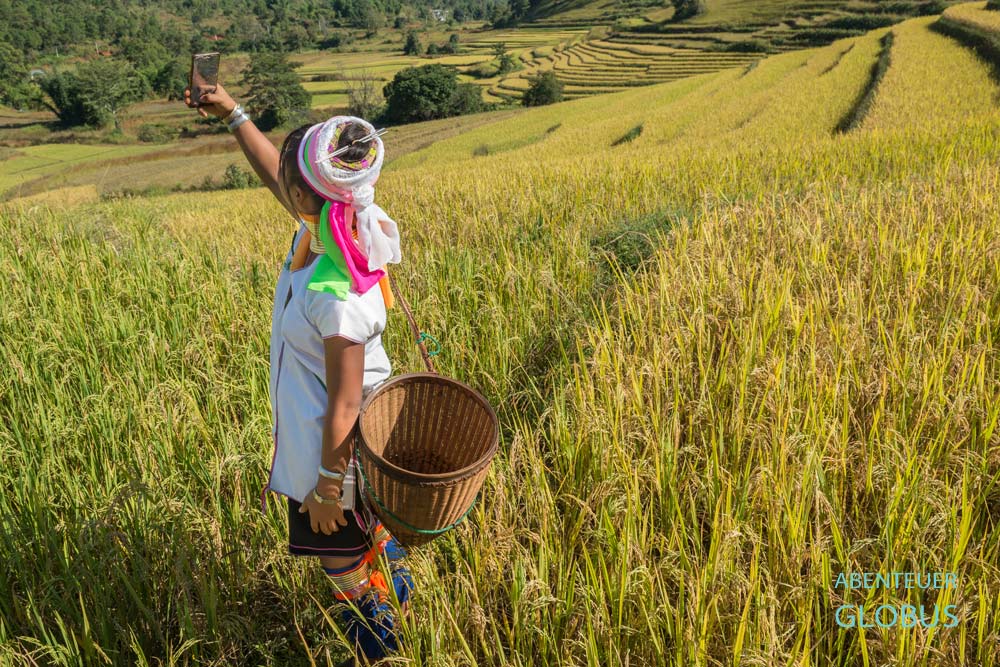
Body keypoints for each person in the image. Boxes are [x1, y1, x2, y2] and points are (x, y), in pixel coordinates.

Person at [184, 83, 413, 666]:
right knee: (373, 548)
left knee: (347, 574)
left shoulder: (338, 289)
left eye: (289, 176)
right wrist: (231, 113)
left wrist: (327, 488)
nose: (280, 183)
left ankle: (383, 651)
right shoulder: (331, 225)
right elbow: (279, 176)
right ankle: (399, 605)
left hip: (333, 453)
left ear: (306, 194)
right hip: (343, 446)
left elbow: (342, 404)